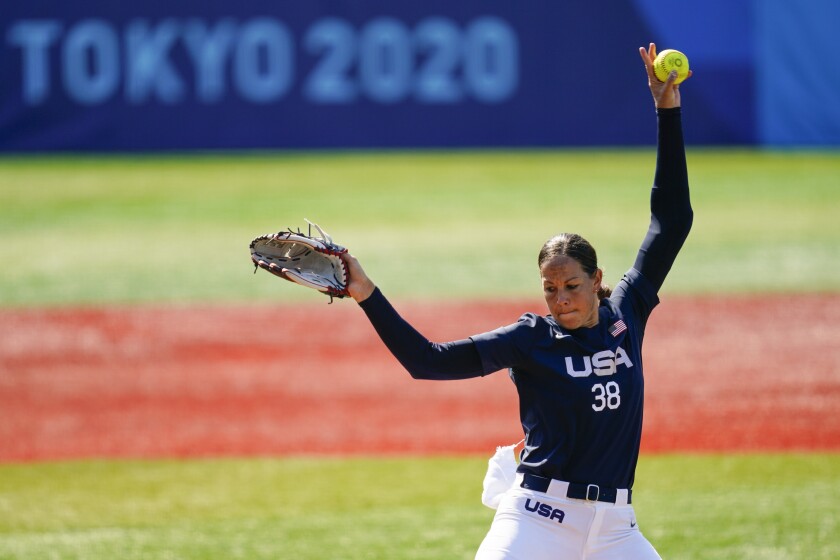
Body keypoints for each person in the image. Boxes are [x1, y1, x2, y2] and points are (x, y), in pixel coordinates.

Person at [340, 43, 693, 560]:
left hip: (617, 527)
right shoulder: (531, 338)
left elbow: (672, 220)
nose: (560, 299)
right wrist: (366, 294)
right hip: (536, 519)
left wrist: (667, 111)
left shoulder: (627, 312)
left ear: (597, 280)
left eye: (571, 286)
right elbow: (426, 362)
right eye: (549, 289)